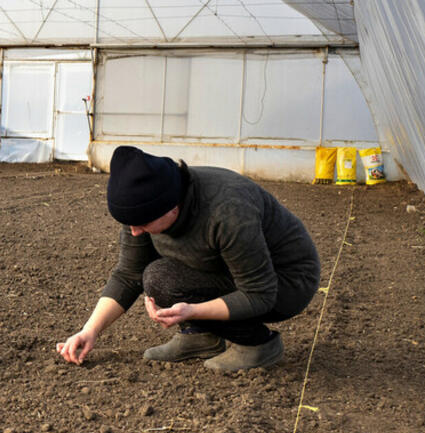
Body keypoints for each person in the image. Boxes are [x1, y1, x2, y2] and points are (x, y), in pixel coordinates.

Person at [56, 146, 321, 371]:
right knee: (159, 276)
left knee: (163, 280)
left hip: (284, 283)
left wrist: (193, 310)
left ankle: (258, 345)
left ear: (172, 208)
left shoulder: (226, 212)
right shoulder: (145, 205)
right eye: (129, 224)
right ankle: (200, 336)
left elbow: (259, 293)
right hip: (228, 270)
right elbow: (129, 273)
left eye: (141, 224)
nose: (134, 231)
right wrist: (90, 330)